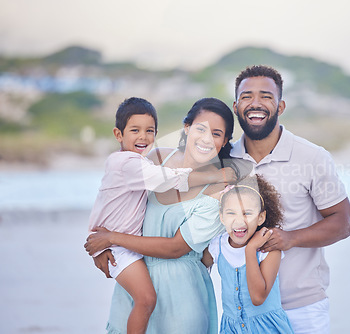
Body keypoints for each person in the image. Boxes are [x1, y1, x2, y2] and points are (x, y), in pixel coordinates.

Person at [85, 97, 237, 333]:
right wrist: (100, 244)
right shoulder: (156, 158)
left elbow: (175, 248)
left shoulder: (219, 192)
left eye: (216, 134)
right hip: (135, 279)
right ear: (186, 128)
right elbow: (114, 198)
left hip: (181, 294)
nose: (206, 138)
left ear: (225, 140)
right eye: (200, 129)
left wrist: (112, 238)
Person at [230, 65, 350, 333]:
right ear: (236, 105)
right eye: (246, 96)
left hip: (301, 309)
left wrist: (291, 238)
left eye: (266, 96)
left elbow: (343, 222)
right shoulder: (224, 159)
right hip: (242, 310)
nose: (255, 103)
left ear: (281, 106)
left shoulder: (311, 156)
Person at [203, 174, 294, 333]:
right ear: (221, 217)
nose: (239, 221)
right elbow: (194, 267)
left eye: (247, 213)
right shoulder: (217, 246)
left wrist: (250, 250)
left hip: (267, 329)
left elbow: (258, 298)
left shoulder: (269, 250)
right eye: (231, 213)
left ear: (261, 217)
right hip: (231, 329)